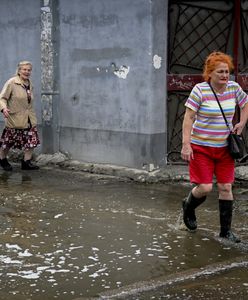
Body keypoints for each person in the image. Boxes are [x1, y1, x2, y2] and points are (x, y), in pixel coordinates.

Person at [181, 51, 248, 243]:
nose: (225, 76)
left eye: (227, 72)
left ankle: (225, 231)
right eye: (220, 72)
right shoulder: (200, 90)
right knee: (204, 187)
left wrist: (242, 123)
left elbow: (245, 104)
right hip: (201, 147)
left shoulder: (234, 88)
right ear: (209, 73)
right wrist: (186, 145)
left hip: (225, 148)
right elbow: (188, 118)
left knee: (226, 187)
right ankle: (188, 206)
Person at [0, 61, 40, 171]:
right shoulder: (12, 82)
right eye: (24, 69)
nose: (27, 72)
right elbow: (2, 98)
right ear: (19, 70)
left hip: (29, 118)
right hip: (14, 118)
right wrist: (3, 108)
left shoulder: (30, 83)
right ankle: (2, 160)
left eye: (29, 70)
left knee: (31, 140)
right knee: (8, 142)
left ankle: (26, 162)